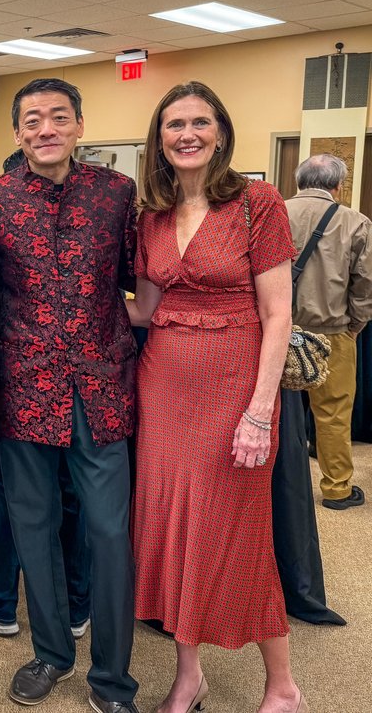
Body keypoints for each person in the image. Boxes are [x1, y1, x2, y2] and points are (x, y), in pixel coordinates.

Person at [0, 78, 140, 713]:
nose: (46, 129)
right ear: (17, 134)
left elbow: (135, 282)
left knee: (109, 532)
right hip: (24, 391)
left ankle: (113, 679)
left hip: (101, 388)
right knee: (32, 530)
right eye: (32, 120)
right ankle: (52, 654)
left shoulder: (118, 194)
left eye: (58, 117)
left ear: (79, 125)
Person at [127, 82, 306, 713]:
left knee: (239, 531)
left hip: (235, 384)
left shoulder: (257, 203)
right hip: (164, 384)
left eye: (200, 122)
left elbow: (278, 315)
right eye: (174, 125)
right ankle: (188, 673)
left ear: (222, 132)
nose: (187, 135)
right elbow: (145, 309)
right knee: (174, 529)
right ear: (160, 138)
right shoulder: (151, 213)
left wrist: (260, 412)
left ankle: (282, 685)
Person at [0, 146, 91, 651]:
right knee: (67, 498)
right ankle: (76, 604)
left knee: (5, 496)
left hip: (13, 382)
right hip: (54, 389)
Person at [285, 154, 371, 510]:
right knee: (333, 412)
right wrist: (356, 324)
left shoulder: (274, 213)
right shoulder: (356, 222)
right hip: (333, 332)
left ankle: (271, 486)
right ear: (338, 185)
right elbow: (365, 282)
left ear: (299, 180)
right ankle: (336, 489)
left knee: (272, 410)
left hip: (275, 331)